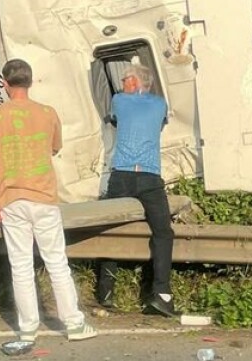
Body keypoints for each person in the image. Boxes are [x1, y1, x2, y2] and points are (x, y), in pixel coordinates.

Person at [0, 59, 98, 356]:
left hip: (11, 198)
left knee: (21, 266)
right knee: (56, 261)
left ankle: (27, 328)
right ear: (30, 82)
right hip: (44, 196)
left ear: (5, 84)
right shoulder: (48, 113)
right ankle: (73, 323)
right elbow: (54, 147)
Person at [95, 63, 178, 317]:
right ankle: (162, 294)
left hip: (122, 175)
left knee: (110, 228)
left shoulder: (119, 101)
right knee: (163, 232)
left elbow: (115, 122)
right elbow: (160, 125)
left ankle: (106, 292)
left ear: (135, 82)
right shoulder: (160, 104)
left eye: (124, 80)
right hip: (150, 177)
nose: (121, 85)